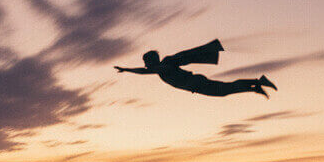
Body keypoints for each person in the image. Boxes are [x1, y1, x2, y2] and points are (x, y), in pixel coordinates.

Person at [114, 39, 277, 98]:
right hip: (196, 84)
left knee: (224, 90)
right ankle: (255, 87)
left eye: (146, 61)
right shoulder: (164, 65)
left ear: (151, 61)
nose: (145, 65)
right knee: (225, 91)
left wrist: (127, 69)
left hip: (197, 84)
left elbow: (145, 71)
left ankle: (257, 83)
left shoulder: (162, 67)